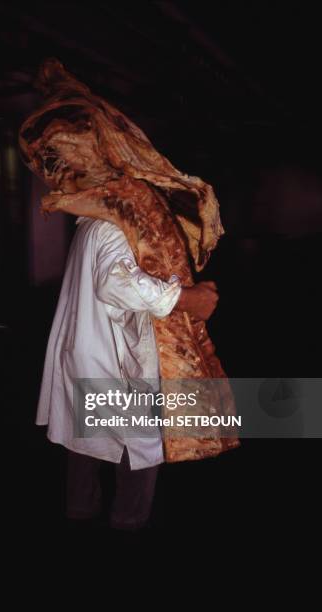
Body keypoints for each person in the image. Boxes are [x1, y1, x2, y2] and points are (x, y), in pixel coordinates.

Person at [36, 213, 219, 531]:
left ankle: (78, 519)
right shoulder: (111, 226)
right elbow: (115, 283)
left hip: (90, 355)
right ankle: (127, 532)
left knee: (85, 447)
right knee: (141, 449)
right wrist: (187, 299)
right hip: (109, 361)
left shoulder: (94, 223)